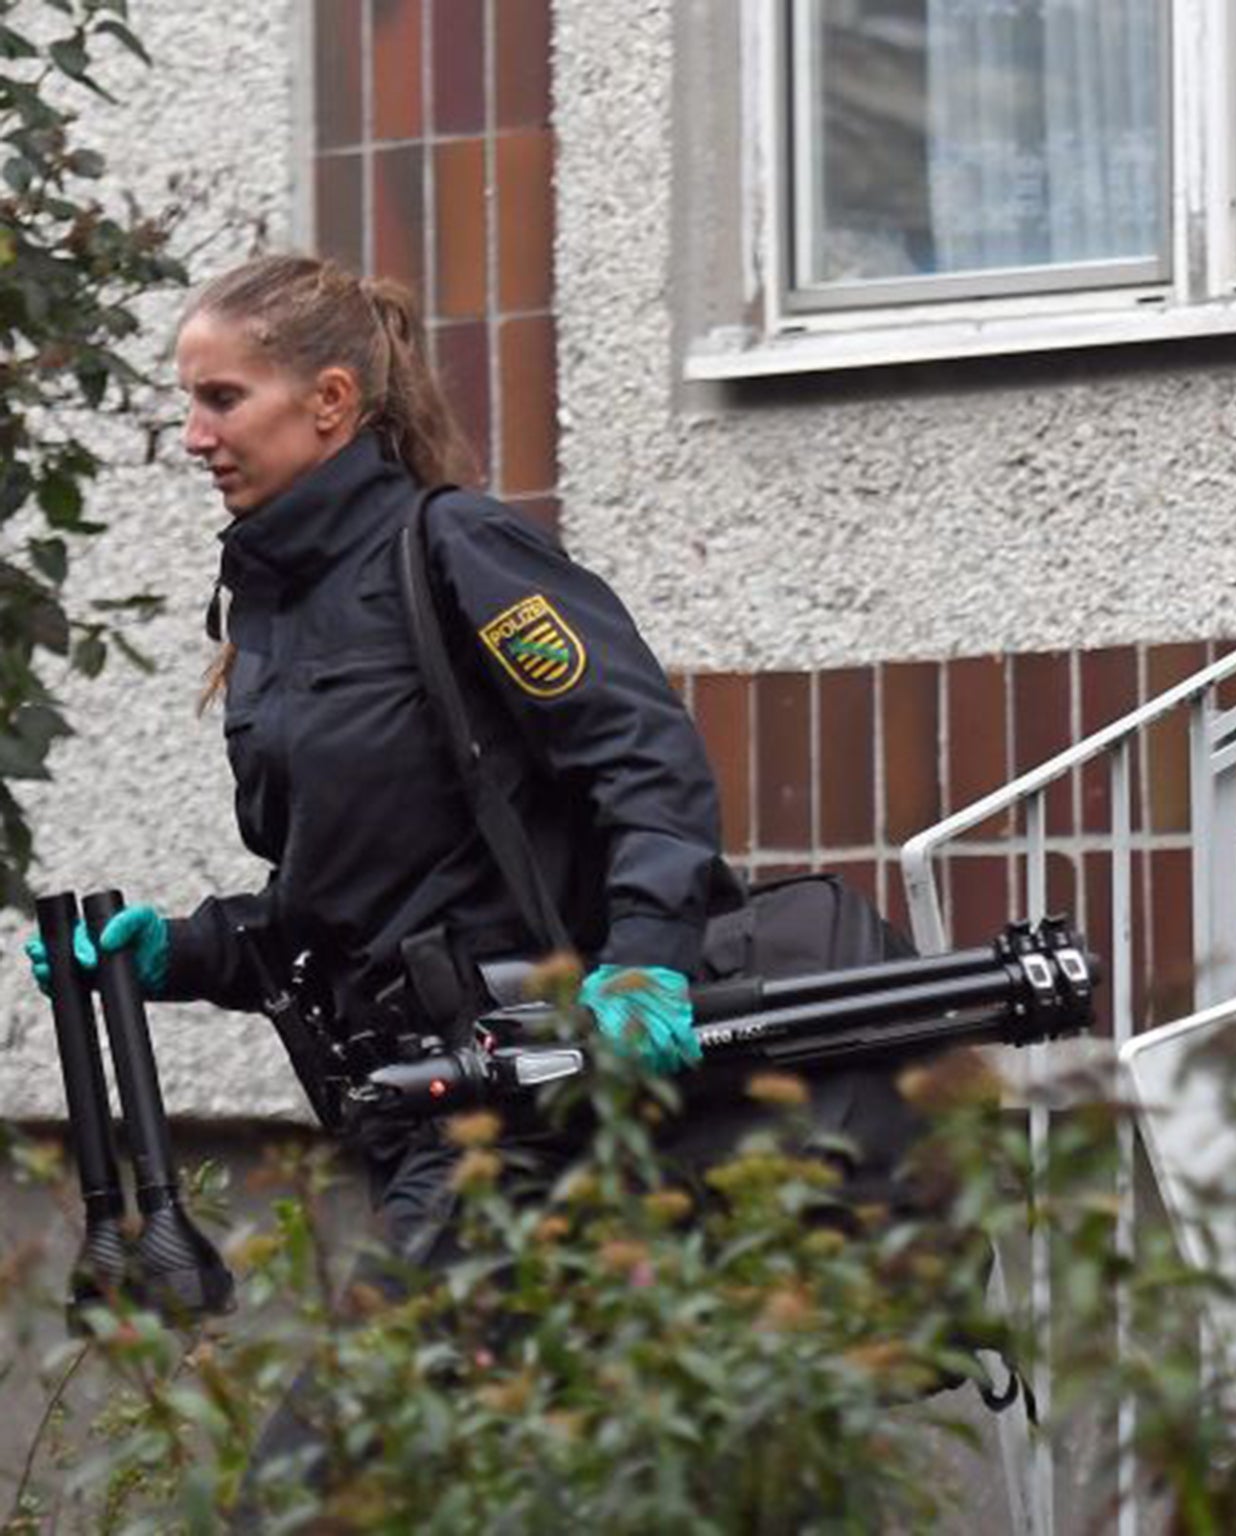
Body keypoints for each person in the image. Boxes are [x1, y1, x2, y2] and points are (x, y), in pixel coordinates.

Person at [25, 251, 745, 1261]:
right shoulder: (281, 610)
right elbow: (335, 905)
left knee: (343, 1424)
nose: (195, 437)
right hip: (411, 1112)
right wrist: (174, 956)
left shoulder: (456, 550)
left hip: (534, 1104)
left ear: (329, 401)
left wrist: (644, 965)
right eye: (191, 403)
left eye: (222, 400)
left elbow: (642, 755)